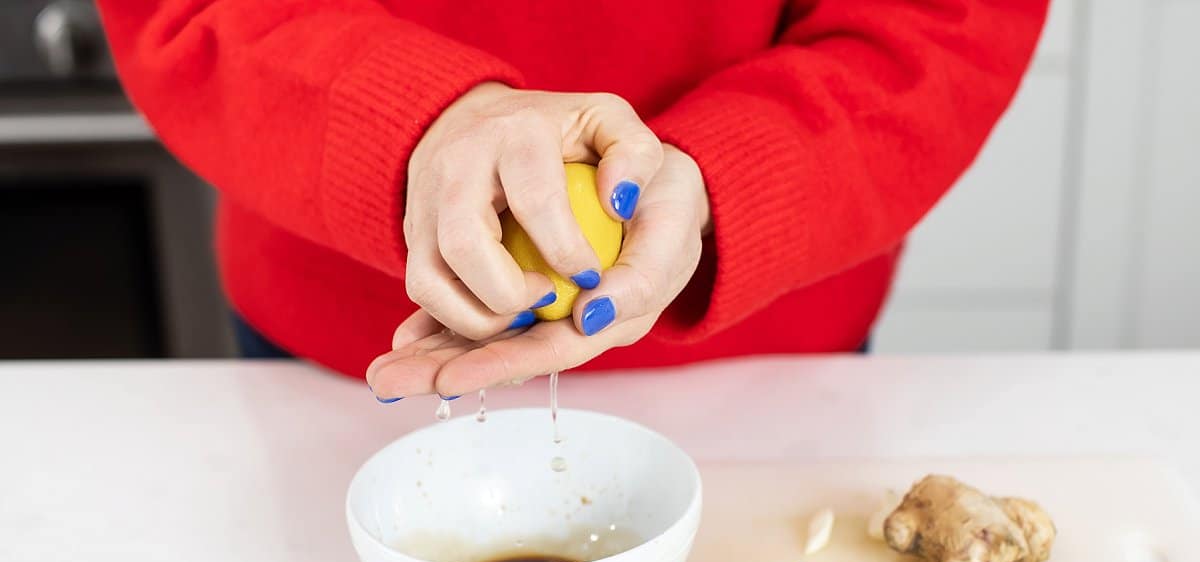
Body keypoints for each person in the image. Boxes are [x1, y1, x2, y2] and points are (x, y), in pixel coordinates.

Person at [98, 0, 1047, 400]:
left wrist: (731, 171)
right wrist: (409, 123)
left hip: (768, 353)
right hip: (348, 346)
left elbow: (939, 25)